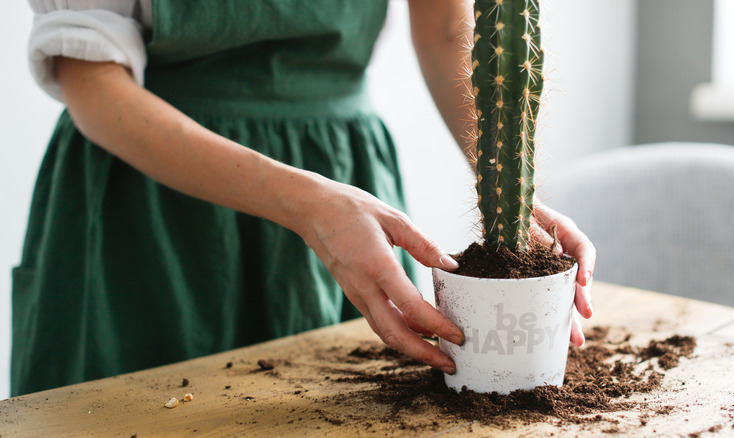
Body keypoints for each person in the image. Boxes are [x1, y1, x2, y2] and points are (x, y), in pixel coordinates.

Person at [12, 0, 595, 396]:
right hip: (155, 202)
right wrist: (309, 203)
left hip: (346, 187)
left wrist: (512, 198)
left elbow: (446, 28)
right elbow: (88, 77)